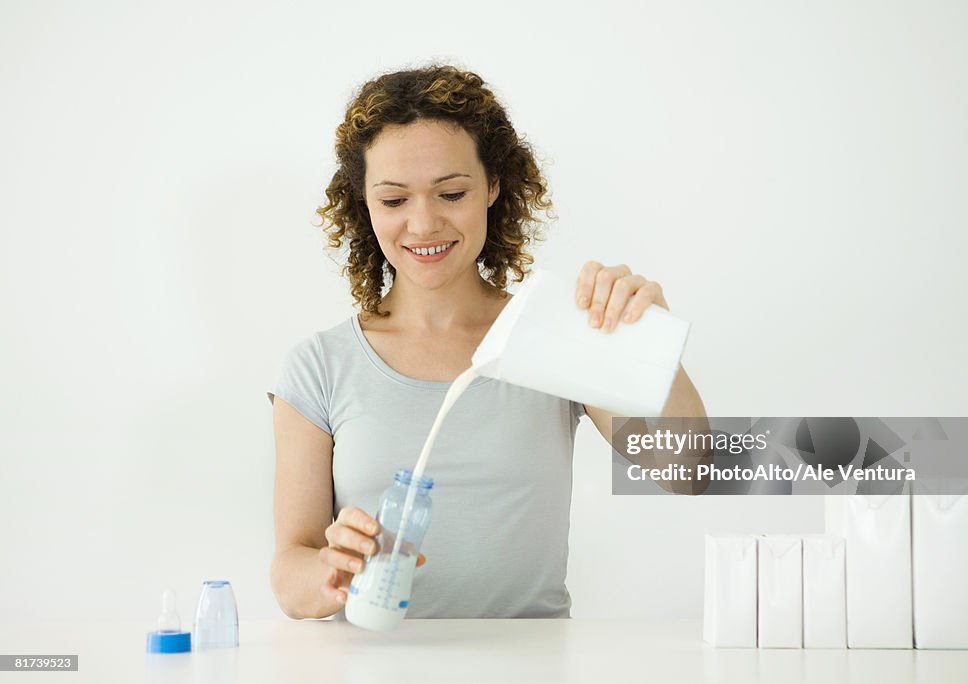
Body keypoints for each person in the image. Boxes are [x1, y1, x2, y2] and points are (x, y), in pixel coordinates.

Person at [267, 64, 706, 620]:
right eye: (394, 200)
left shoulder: (554, 334)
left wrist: (652, 349)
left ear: (493, 186)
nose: (423, 224)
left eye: (451, 193)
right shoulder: (320, 366)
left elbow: (689, 471)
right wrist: (332, 569)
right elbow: (289, 571)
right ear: (364, 203)